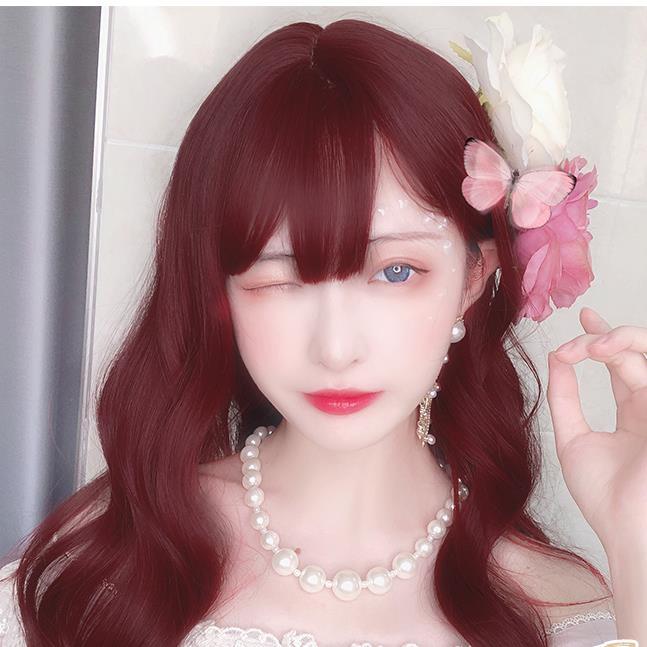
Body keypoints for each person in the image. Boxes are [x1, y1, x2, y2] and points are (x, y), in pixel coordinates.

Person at [1, 14, 645, 647]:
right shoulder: (106, 569)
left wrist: (638, 540)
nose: (336, 349)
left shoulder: (564, 613)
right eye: (280, 280)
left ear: (474, 278)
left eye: (395, 272)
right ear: (219, 289)